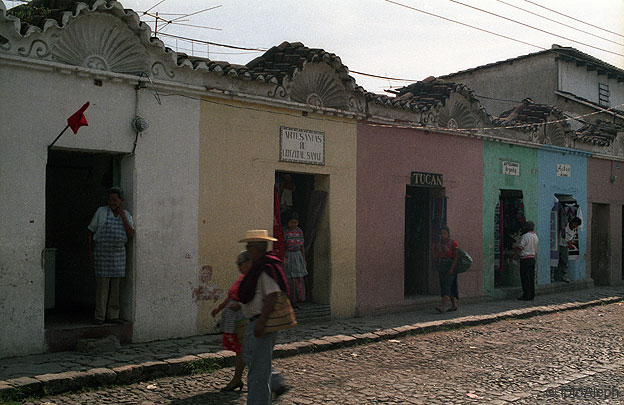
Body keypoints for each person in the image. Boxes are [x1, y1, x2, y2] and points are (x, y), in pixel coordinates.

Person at [237, 230, 290, 404]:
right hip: (255, 321)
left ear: (258, 248)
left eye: (250, 246)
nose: (247, 250)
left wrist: (262, 321)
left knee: (258, 373)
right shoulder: (258, 267)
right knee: (253, 360)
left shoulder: (265, 268)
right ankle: (276, 384)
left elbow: (272, 295)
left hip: (261, 322)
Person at [87, 187, 135, 325]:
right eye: (110, 199)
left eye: (115, 199)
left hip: (118, 256)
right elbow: (90, 232)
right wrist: (90, 251)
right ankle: (99, 316)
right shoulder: (101, 212)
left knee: (115, 288)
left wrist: (123, 215)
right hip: (102, 254)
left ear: (121, 200)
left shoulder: (127, 215)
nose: (112, 202)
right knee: (102, 287)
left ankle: (113, 315)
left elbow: (131, 234)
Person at [211, 250, 252, 392]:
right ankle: (237, 378)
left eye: (240, 264)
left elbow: (253, 298)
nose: (239, 267)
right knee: (242, 351)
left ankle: (273, 381)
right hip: (235, 321)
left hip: (244, 319)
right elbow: (231, 296)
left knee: (246, 351)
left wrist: (240, 305)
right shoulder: (242, 278)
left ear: (248, 263)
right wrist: (219, 307)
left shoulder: (253, 279)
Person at [283, 213, 307, 307]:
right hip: (288, 255)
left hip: (298, 256)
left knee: (298, 278)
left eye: (295, 222)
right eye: (292, 222)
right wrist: (283, 257)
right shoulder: (285, 232)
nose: (294, 225)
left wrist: (303, 258)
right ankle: (290, 299)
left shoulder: (299, 231)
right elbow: (283, 245)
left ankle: (298, 299)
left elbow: (302, 246)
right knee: (290, 278)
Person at [434, 226, 459, 313]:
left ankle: (442, 306)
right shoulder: (439, 244)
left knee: (447, 286)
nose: (443, 235)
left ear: (448, 234)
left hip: (451, 265)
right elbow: (436, 255)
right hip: (442, 265)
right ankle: (454, 305)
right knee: (446, 285)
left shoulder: (453, 243)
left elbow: (456, 257)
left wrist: (452, 268)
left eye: (445, 233)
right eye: (441, 234)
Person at [514, 221, 538, 301]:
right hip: (532, 258)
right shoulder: (535, 236)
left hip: (525, 259)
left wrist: (515, 256)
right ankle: (531, 294)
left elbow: (520, 248)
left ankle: (526, 294)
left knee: (525, 277)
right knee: (531, 277)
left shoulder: (525, 236)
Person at [557, 217, 581, 283]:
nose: (575, 226)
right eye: (575, 224)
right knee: (556, 260)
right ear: (572, 222)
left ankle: (562, 276)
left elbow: (570, 239)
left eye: (576, 225)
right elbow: (561, 236)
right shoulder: (564, 227)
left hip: (565, 246)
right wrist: (567, 241)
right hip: (559, 245)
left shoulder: (574, 230)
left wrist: (570, 242)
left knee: (564, 261)